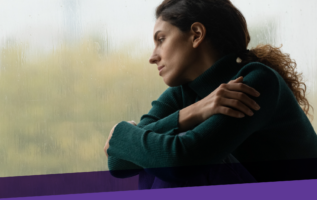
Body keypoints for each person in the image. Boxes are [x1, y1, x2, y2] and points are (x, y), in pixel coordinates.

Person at [104, 0, 317, 189]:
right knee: (151, 154)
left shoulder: (255, 81)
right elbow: (118, 163)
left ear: (196, 34)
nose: (152, 57)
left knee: (167, 155)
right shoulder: (182, 94)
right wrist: (192, 112)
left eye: (161, 39)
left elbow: (182, 163)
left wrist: (120, 134)